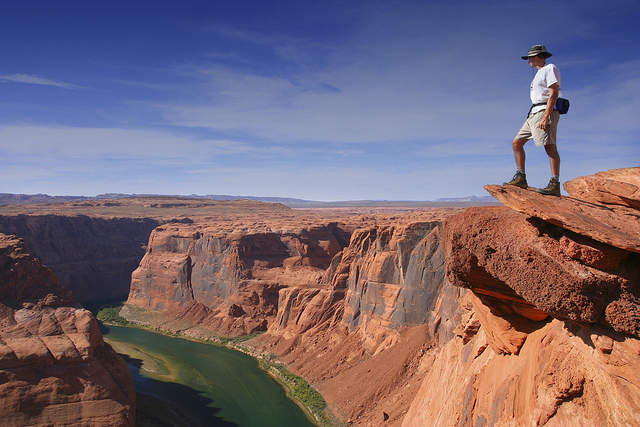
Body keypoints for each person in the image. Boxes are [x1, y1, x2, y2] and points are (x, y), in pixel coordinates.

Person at [505, 44, 562, 196]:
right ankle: (521, 177)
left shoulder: (550, 68)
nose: (528, 60)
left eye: (530, 57)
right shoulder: (538, 73)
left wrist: (546, 116)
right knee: (516, 142)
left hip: (544, 111)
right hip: (534, 112)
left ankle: (555, 183)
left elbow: (554, 92)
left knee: (549, 147)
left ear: (538, 56)